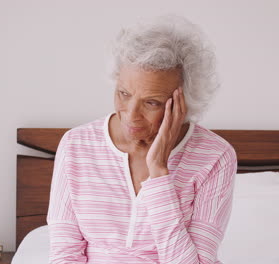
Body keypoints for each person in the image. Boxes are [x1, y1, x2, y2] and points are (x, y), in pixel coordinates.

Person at [47, 14, 237, 264]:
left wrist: (158, 172)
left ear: (184, 103)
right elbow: (64, 255)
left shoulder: (215, 156)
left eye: (152, 102)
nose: (131, 115)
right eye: (123, 93)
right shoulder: (76, 145)